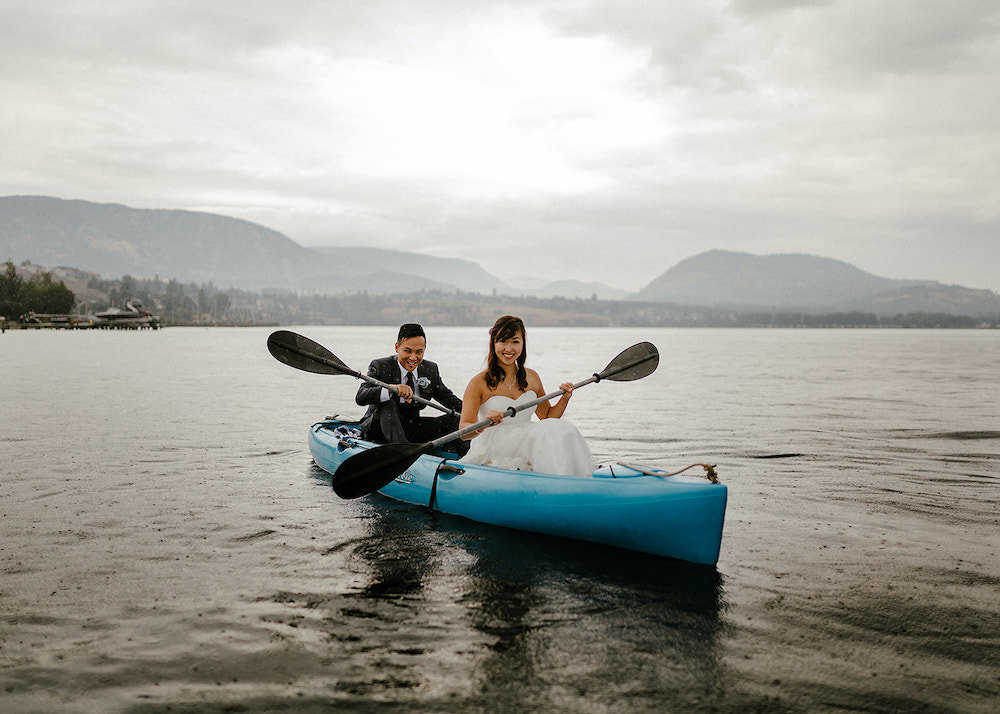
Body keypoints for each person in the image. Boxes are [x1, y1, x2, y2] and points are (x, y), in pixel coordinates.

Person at [459, 315, 595, 477]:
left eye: (515, 342)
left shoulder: (532, 377)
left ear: (523, 344)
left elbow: (548, 417)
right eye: (503, 341)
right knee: (545, 433)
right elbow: (464, 431)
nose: (509, 348)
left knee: (564, 428)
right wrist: (484, 424)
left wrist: (564, 398)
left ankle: (573, 477)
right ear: (493, 344)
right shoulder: (478, 382)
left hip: (525, 437)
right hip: (496, 444)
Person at [356, 323, 468, 455]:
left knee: (456, 418)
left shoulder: (430, 370)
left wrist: (478, 411)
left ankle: (468, 458)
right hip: (378, 429)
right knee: (388, 404)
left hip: (411, 429)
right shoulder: (380, 366)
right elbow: (361, 397)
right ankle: (404, 453)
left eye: (419, 352)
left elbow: (451, 402)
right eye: (408, 351)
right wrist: (390, 389)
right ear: (397, 348)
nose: (413, 358)